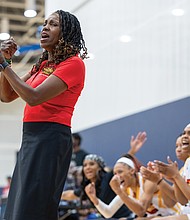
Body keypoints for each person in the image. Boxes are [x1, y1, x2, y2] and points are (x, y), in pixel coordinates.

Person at [0, 9, 88, 220]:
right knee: (18, 207)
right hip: (30, 137)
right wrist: (6, 62)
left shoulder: (74, 64)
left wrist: (3, 65)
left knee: (33, 208)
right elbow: (6, 96)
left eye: (53, 24)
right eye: (45, 23)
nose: (45, 27)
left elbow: (34, 97)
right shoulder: (42, 65)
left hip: (51, 137)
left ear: (66, 32)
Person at [85, 154, 181, 219]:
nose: (117, 176)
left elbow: (141, 211)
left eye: (120, 172)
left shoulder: (147, 180)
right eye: (115, 173)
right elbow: (108, 213)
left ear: (132, 171)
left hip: (175, 214)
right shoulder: (125, 188)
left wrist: (119, 192)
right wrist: (94, 199)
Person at [150, 123, 190, 220]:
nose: (185, 136)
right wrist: (172, 179)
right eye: (184, 133)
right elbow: (183, 200)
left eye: (189, 133)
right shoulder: (187, 164)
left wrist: (176, 176)